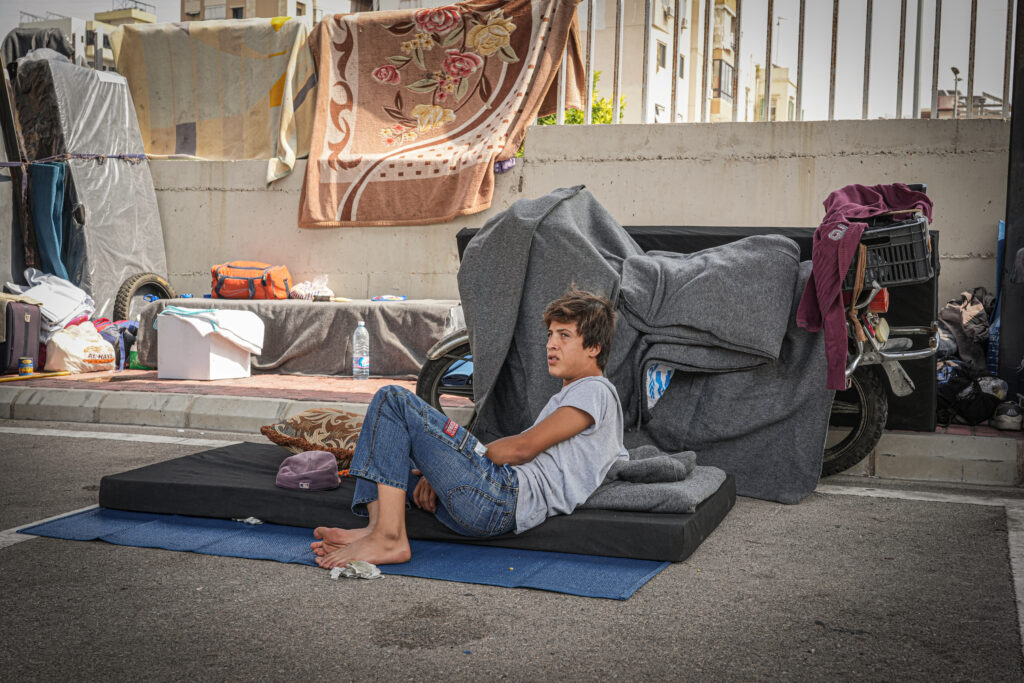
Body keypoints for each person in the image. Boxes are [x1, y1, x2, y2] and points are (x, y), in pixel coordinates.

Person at [311, 287, 628, 568]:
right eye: (550, 335)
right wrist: (441, 468)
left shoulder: (594, 390)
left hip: (501, 499)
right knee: (393, 440)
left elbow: (522, 449)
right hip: (488, 503)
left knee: (393, 400)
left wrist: (459, 462)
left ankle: (389, 537)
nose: (551, 344)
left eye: (564, 335)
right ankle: (376, 529)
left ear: (594, 347)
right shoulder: (576, 393)